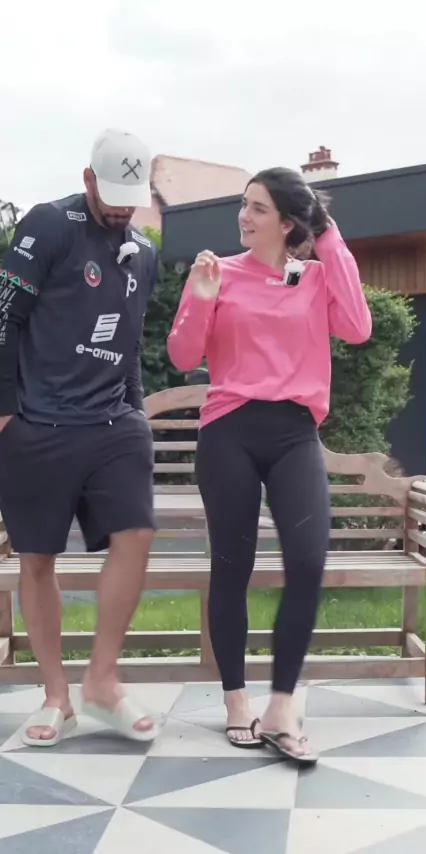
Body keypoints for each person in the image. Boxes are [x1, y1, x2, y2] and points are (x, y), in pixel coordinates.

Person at [167, 167, 372, 765]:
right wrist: (201, 298)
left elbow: (358, 327)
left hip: (294, 434)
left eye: (258, 207)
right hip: (228, 431)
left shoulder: (315, 277)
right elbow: (183, 355)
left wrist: (328, 234)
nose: (244, 216)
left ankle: (282, 706)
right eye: (243, 204)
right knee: (233, 566)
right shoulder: (218, 272)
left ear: (287, 223)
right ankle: (237, 700)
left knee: (307, 562)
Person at [0, 128, 160, 746]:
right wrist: (5, 412)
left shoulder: (142, 252)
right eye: (112, 194)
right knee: (38, 558)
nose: (122, 210)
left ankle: (102, 680)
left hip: (113, 423)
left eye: (132, 199)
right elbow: (4, 315)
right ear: (89, 178)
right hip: (38, 423)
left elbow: (130, 343)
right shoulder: (50, 226)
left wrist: (137, 412)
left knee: (137, 533)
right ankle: (56, 697)